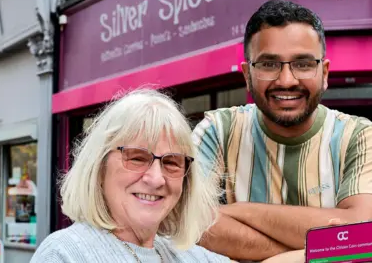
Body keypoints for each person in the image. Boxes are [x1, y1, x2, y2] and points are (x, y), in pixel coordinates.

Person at [192, 0, 372, 262]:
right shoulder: (216, 132)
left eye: (303, 64)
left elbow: (360, 235)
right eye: (268, 64)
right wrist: (311, 254)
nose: (286, 80)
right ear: (246, 76)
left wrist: (238, 212)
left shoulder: (360, 137)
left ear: (325, 73)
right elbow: (188, 223)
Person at [30, 89, 235, 263]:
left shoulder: (192, 256)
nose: (156, 179)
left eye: (172, 162)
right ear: (100, 167)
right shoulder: (64, 255)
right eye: (136, 158)